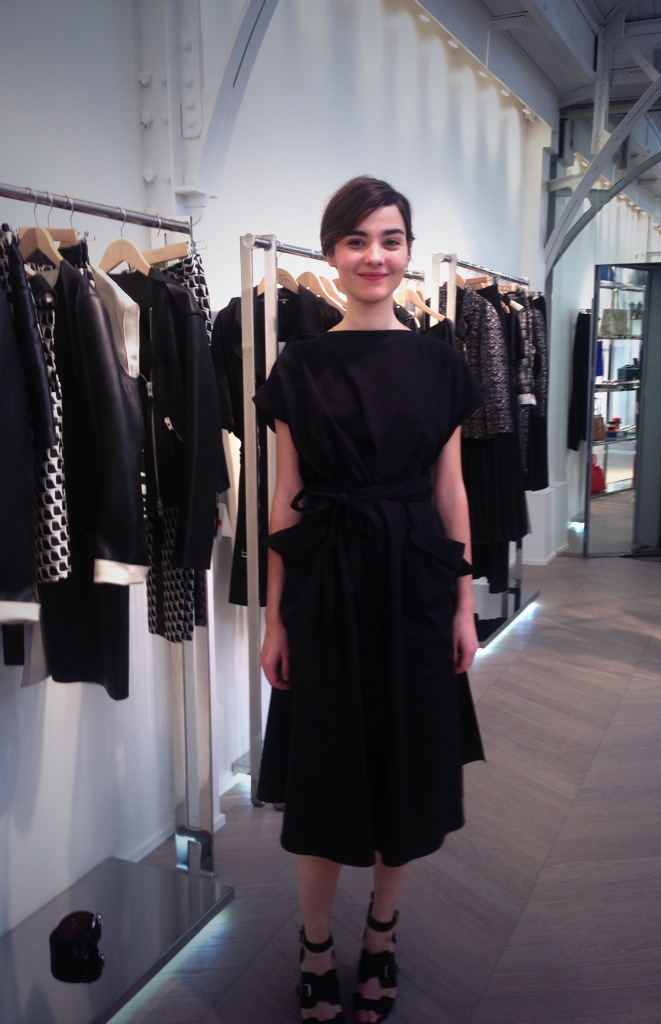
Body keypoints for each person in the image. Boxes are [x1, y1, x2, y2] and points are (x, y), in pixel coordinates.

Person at [253, 176, 485, 1024]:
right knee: (322, 770)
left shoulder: (441, 361)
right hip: (326, 583)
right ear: (332, 254)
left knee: (405, 769)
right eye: (357, 240)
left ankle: (381, 936)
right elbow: (285, 498)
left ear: (409, 252)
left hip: (416, 583)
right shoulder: (298, 365)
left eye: (390, 240)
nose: (374, 256)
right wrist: (276, 617)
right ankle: (316, 946)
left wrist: (463, 604)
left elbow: (451, 490)